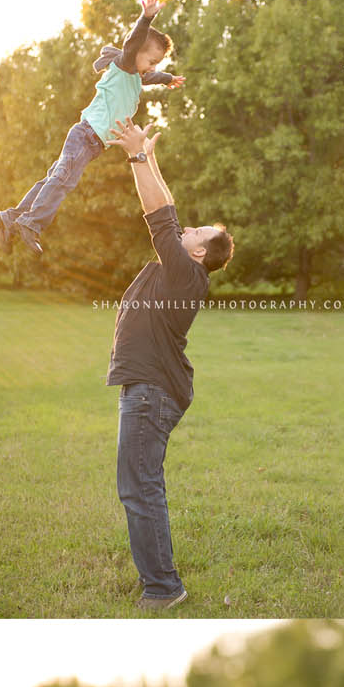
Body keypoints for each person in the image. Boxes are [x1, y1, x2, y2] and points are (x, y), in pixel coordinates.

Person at [106, 121, 233, 609]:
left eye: (196, 232)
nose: (188, 227)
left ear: (199, 252)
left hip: (152, 391)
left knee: (140, 489)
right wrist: (150, 158)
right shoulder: (181, 271)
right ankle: (159, 582)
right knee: (140, 486)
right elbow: (169, 212)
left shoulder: (186, 274)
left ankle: (164, 588)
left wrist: (137, 158)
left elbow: (159, 215)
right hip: (150, 389)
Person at [0, 0, 180, 255]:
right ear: (137, 52)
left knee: (52, 179)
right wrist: (146, 19)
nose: (152, 67)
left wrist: (168, 78)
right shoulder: (126, 64)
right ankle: (31, 224)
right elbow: (133, 42)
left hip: (90, 142)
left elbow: (150, 78)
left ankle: (10, 217)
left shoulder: (135, 77)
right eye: (151, 61)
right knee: (63, 181)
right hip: (86, 136)